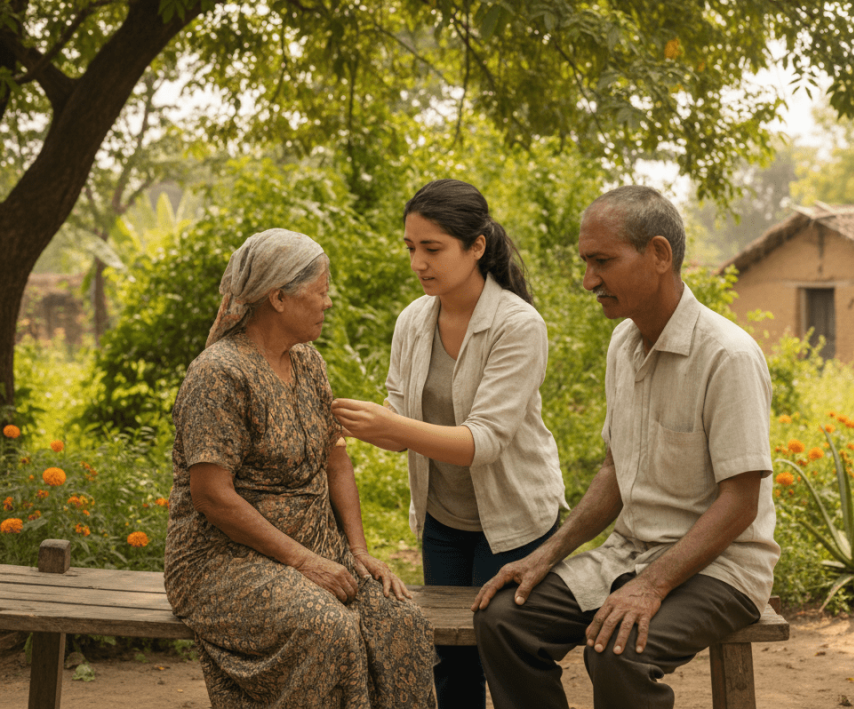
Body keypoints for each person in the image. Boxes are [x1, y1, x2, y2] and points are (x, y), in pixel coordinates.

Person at [471, 186, 780, 709]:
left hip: (722, 570)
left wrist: (651, 586)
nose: (589, 280)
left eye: (603, 261)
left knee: (618, 652)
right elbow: (614, 472)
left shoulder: (727, 356)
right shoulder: (624, 343)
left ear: (659, 254)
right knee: (503, 619)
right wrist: (544, 555)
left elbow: (740, 504)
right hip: (629, 555)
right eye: (586, 263)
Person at [164, 228, 435, 709]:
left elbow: (337, 460)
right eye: (321, 291)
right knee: (326, 627)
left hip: (318, 549)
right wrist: (305, 562)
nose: (328, 302)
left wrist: (357, 551)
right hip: (222, 563)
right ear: (279, 298)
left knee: (401, 621)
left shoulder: (308, 362)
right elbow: (211, 495)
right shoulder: (219, 374)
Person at [332, 179, 568, 709]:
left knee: (506, 658)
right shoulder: (413, 320)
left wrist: (391, 425)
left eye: (432, 248)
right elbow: (400, 426)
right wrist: (349, 421)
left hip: (513, 522)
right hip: (444, 521)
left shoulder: (518, 324)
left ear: (476, 246)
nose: (418, 263)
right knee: (451, 662)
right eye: (411, 248)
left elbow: (482, 441)